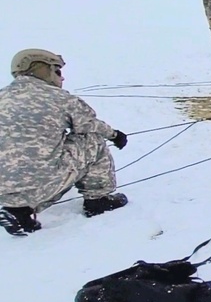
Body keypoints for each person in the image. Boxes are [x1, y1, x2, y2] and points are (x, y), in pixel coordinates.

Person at [0, 49, 129, 237]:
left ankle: (18, 211)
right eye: (58, 71)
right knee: (91, 138)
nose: (62, 78)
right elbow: (89, 125)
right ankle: (98, 199)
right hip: (39, 181)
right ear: (42, 69)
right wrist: (115, 135)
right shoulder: (60, 98)